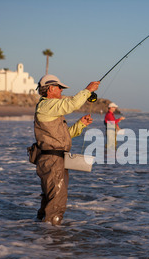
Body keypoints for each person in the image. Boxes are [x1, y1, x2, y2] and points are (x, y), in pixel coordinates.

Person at [34, 74, 100, 226]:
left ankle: (41, 234)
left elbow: (64, 136)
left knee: (51, 199)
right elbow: (72, 104)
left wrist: (80, 124)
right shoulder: (47, 106)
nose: (62, 91)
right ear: (50, 89)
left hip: (55, 160)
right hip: (52, 161)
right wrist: (88, 90)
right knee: (57, 200)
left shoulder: (49, 109)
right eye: (60, 88)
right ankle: (53, 238)